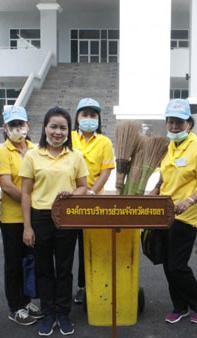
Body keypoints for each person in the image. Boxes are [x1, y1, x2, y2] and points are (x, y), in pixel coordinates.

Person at [20, 107, 88, 336]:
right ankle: (48, 313)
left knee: (65, 268)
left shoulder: (75, 156)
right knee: (44, 268)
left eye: (63, 128)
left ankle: (63, 314)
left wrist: (72, 194)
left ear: (69, 131)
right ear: (45, 128)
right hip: (40, 217)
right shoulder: (32, 155)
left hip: (67, 217)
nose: (58, 132)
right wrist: (27, 227)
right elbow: (26, 193)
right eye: (54, 127)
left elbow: (83, 187)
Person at [151, 99, 197, 324]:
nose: (174, 126)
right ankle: (179, 306)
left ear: (189, 123)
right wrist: (154, 190)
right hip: (164, 212)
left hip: (186, 216)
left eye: (179, 122)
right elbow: (164, 176)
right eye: (170, 121)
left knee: (177, 265)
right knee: (167, 264)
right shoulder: (169, 146)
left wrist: (188, 201)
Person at [0, 106, 43, 326]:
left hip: (34, 217)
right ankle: (15, 306)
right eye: (13, 125)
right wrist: (30, 203)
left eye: (20, 124)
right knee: (14, 263)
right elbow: (6, 185)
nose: (17, 129)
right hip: (13, 218)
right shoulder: (2, 151)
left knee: (30, 261)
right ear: (5, 128)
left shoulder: (36, 149)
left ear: (28, 125)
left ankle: (27, 300)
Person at [71, 98, 115, 305]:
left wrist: (91, 192)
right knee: (65, 246)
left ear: (98, 118)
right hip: (69, 200)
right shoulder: (69, 137)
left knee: (88, 246)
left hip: (93, 201)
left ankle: (84, 286)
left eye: (93, 115)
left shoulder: (104, 142)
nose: (89, 118)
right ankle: (63, 288)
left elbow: (106, 172)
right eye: (85, 114)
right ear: (77, 117)